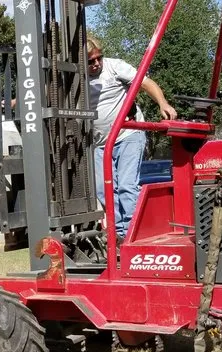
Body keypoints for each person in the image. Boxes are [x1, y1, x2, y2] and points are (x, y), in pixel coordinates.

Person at [87, 37, 177, 241]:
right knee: (104, 190)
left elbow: (146, 83)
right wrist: (14, 102)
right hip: (100, 143)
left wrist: (162, 103)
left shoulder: (115, 67)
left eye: (98, 58)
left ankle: (132, 235)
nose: (97, 63)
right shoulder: (75, 78)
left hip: (127, 135)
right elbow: (46, 92)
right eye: (91, 61)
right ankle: (118, 237)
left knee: (127, 186)